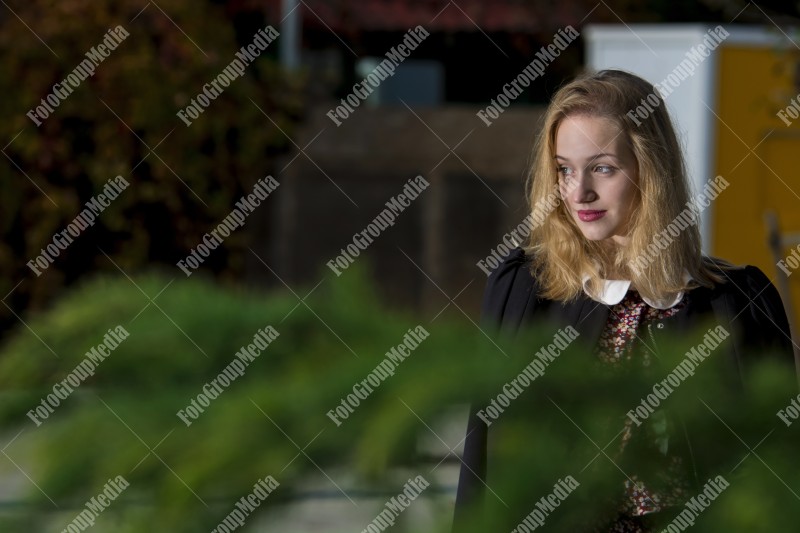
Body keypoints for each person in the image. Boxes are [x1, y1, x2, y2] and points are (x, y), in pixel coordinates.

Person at [452, 69, 795, 532]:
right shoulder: (524, 288)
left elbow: (776, 475)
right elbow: (484, 462)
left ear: (650, 168)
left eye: (603, 168)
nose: (579, 193)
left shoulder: (740, 302)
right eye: (564, 169)